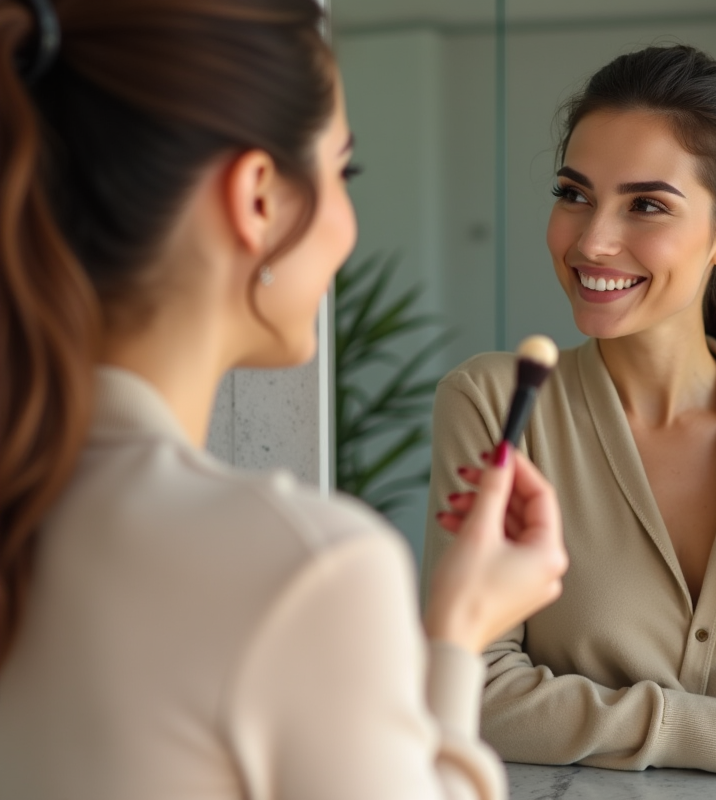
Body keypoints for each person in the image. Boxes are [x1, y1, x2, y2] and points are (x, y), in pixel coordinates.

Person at [0, 1, 567, 798]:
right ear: (259, 199)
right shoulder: (305, 571)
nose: (349, 221)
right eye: (344, 171)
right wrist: (458, 636)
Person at [423, 44, 716, 780]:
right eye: (574, 194)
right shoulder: (497, 405)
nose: (591, 240)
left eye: (645, 205)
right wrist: (705, 731)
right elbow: (467, 688)